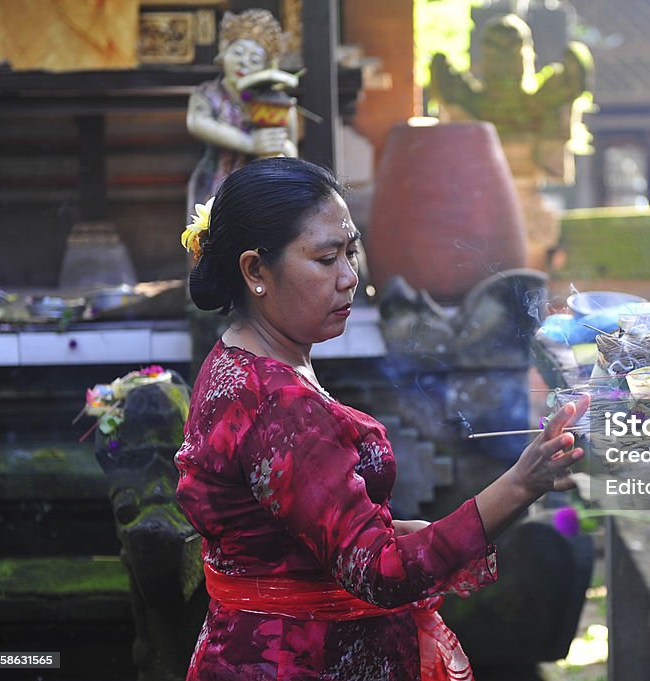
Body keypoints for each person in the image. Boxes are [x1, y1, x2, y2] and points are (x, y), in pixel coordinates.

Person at [175, 156, 589, 681]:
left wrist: (406, 530)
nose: (350, 277)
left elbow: (290, 535)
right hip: (297, 662)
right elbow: (382, 572)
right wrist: (523, 483)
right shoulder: (283, 406)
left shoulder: (233, 363)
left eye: (351, 251)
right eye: (326, 259)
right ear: (256, 270)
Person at [185, 9, 298, 219]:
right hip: (217, 183)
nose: (244, 63)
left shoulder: (277, 102)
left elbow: (291, 148)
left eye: (254, 59)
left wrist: (281, 146)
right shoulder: (208, 94)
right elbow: (197, 122)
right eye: (237, 53)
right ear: (223, 51)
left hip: (262, 186)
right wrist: (251, 143)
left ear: (266, 67)